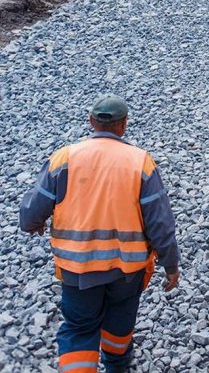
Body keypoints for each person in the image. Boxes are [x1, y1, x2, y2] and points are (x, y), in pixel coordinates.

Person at [20, 95, 179, 373]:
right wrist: (171, 265)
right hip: (126, 269)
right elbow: (160, 223)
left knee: (80, 329)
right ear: (124, 125)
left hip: (77, 268)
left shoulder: (64, 158)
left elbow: (33, 209)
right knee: (120, 324)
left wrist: (34, 223)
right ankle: (117, 367)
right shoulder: (140, 162)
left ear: (91, 121)